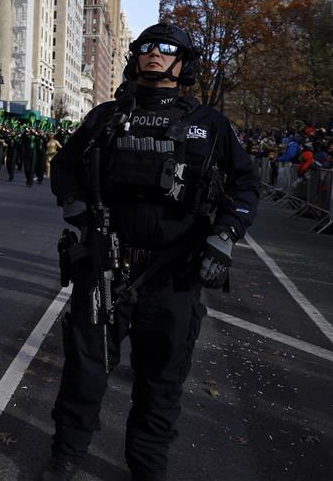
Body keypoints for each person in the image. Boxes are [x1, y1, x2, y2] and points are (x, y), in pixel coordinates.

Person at [41, 23, 259, 481]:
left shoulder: (211, 125)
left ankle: (147, 467)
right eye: (146, 47)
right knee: (85, 372)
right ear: (135, 57)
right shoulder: (104, 117)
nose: (155, 54)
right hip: (104, 267)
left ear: (183, 63)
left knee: (161, 381)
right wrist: (77, 209)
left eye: (167, 49)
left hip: (174, 274)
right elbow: (64, 166)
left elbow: (245, 185)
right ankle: (66, 456)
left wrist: (225, 236)